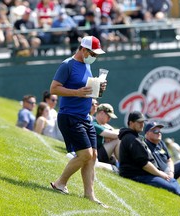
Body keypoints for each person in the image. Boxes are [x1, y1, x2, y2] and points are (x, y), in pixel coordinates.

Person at [49, 35, 108, 208]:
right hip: (70, 116)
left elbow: (86, 91)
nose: (95, 57)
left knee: (93, 156)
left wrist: (98, 89)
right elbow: (54, 89)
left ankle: (89, 195)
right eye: (92, 53)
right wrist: (77, 92)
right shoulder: (67, 65)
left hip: (84, 117)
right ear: (83, 50)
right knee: (85, 155)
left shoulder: (87, 65)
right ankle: (60, 183)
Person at [118, 111, 180, 203]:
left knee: (177, 180)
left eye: (143, 122)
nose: (142, 124)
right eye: (139, 122)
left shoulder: (135, 138)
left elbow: (168, 160)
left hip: (146, 173)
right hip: (137, 175)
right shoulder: (132, 139)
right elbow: (145, 164)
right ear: (131, 123)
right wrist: (161, 174)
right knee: (171, 186)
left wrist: (169, 172)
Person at [144, 122, 180, 195]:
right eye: (155, 131)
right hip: (157, 174)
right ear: (147, 133)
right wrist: (161, 174)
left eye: (160, 131)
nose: (159, 133)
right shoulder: (144, 144)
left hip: (168, 172)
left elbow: (169, 160)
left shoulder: (161, 143)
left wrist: (171, 172)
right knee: (177, 189)